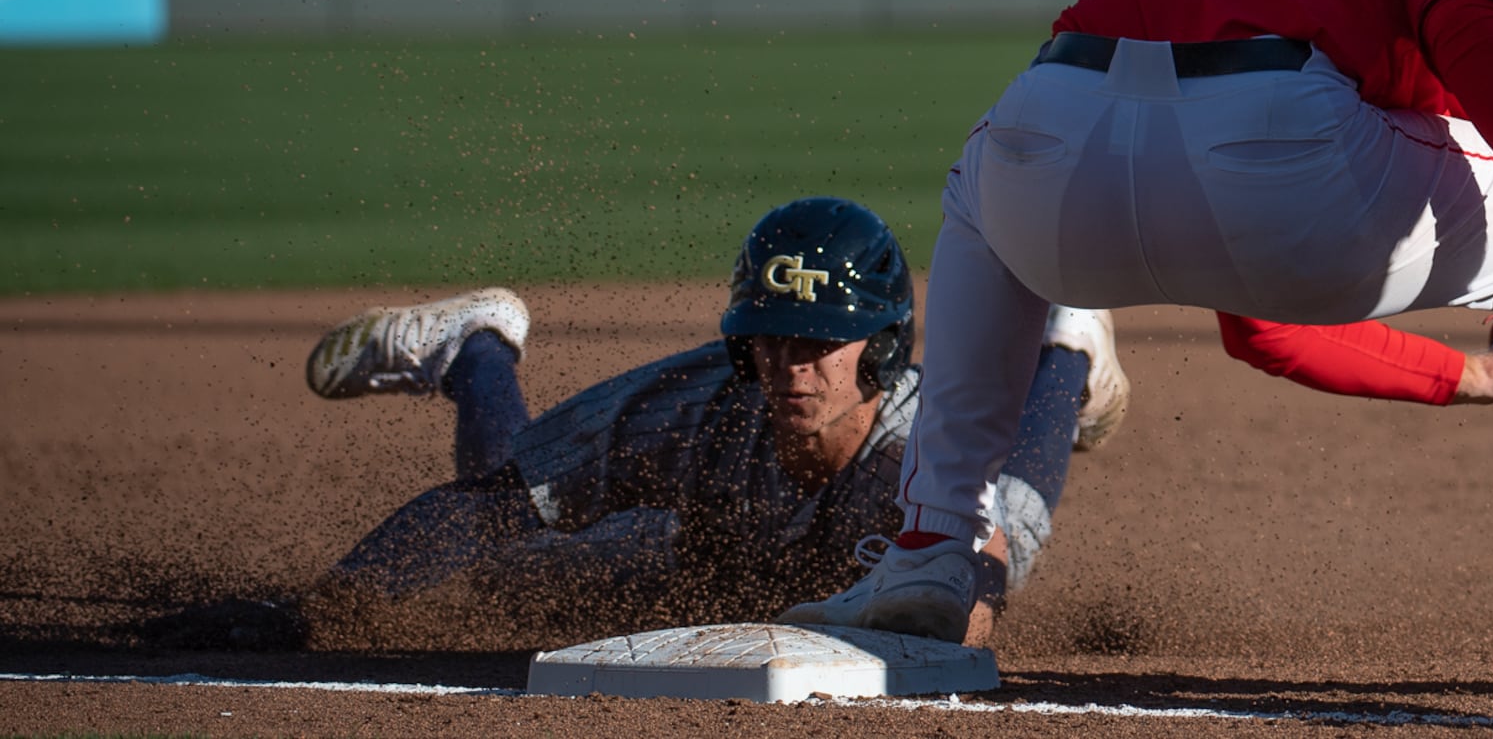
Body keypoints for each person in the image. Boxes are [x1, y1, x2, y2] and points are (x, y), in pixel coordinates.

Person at [780, 0, 1493, 692]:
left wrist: (1479, 375)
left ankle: (929, 553)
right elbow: (1481, 34)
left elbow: (1261, 314)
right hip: (1277, 141)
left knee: (978, 202)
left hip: (1051, 126)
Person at [146, 196, 1128, 651]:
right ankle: (479, 348)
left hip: (903, 522)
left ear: (876, 349)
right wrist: (317, 609)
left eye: (818, 342)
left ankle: (1070, 341)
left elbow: (971, 614)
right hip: (702, 561)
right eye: (768, 339)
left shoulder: (932, 454)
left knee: (998, 542)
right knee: (505, 582)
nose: (788, 365)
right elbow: (499, 503)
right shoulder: (696, 400)